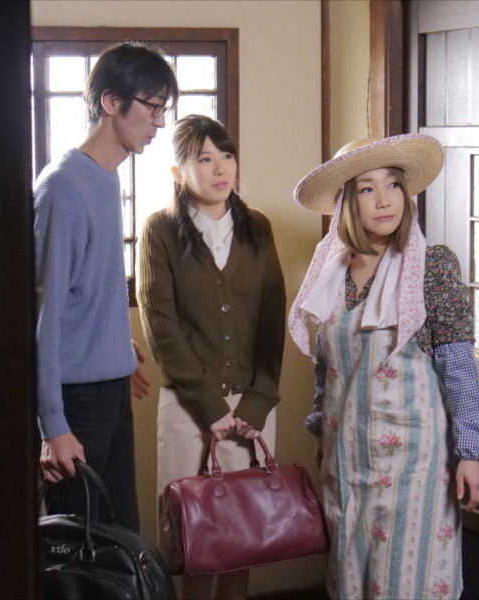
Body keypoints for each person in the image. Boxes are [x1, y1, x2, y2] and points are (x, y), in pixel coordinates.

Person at [289, 134, 479, 600]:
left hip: (413, 467)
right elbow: (326, 367)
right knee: (352, 580)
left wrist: (472, 451)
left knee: (407, 582)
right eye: (367, 188)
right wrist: (320, 430)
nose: (384, 200)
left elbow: (459, 368)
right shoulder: (331, 273)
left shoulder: (430, 267)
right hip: (345, 463)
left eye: (393, 185)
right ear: (346, 202)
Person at [137, 114, 286, 599]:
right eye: (204, 158)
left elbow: (272, 319)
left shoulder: (258, 227)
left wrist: (259, 401)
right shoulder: (159, 231)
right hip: (187, 408)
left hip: (251, 411)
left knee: (243, 540)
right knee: (192, 543)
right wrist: (208, 403)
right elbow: (160, 323)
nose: (221, 168)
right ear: (178, 172)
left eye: (226, 155)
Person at [33, 43, 179, 531]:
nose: (160, 122)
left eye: (163, 109)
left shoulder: (106, 177)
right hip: (76, 402)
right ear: (111, 102)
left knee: (120, 541)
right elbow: (43, 316)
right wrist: (53, 425)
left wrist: (116, 347)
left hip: (111, 392)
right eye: (153, 107)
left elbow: (92, 288)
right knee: (79, 547)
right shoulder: (62, 188)